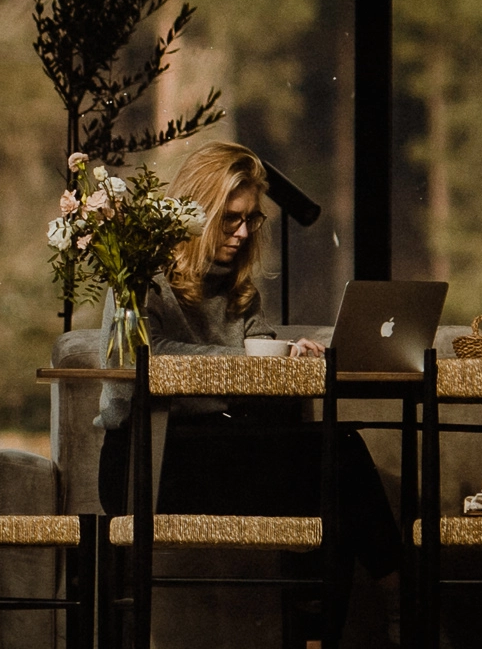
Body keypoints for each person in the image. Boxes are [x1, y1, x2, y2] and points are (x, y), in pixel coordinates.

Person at [124, 141, 402, 579]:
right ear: (197, 214)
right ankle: (396, 599)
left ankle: (329, 627)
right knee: (336, 465)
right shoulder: (140, 275)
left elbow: (261, 381)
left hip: (218, 448)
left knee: (332, 472)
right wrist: (246, 368)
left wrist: (293, 368)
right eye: (230, 219)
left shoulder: (240, 292)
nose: (243, 232)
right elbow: (144, 360)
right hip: (151, 460)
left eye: (251, 218)